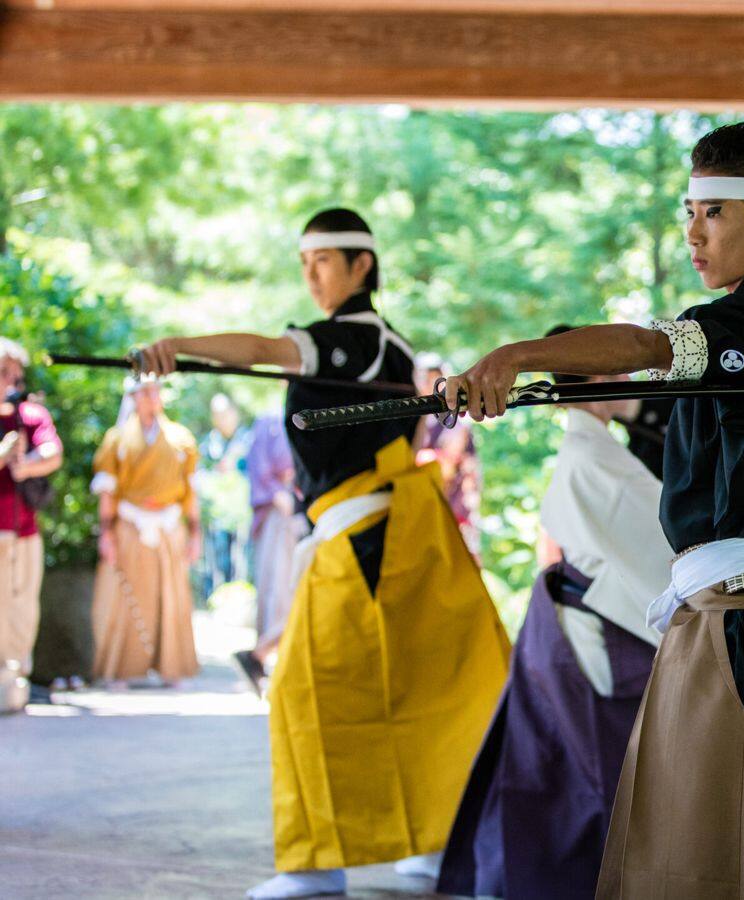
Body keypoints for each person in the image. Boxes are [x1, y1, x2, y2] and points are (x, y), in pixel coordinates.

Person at [442, 123, 744, 899]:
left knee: (727, 823)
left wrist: (517, 356)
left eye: (716, 213)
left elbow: (644, 345)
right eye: (690, 211)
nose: (695, 232)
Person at [135, 208, 510, 900]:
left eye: (324, 261)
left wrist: (178, 345)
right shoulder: (382, 342)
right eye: (304, 263)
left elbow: (265, 349)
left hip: (367, 536)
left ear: (362, 265)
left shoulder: (355, 337)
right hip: (372, 534)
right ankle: (428, 844)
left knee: (304, 692)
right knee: (411, 689)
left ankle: (317, 864)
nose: (311, 276)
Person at [439, 326, 673, 900]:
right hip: (601, 636)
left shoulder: (598, 451)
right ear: (587, 379)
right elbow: (669, 555)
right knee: (618, 780)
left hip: (579, 629)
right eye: (614, 370)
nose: (626, 378)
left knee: (566, 780)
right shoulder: (596, 460)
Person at [89, 379, 202, 687]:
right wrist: (107, 533)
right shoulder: (117, 438)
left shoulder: (181, 439)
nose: (151, 397)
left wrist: (195, 533)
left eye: (155, 391)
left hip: (168, 525)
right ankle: (120, 669)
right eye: (144, 392)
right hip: (129, 525)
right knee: (124, 596)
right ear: (133, 397)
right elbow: (107, 492)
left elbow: (191, 493)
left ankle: (172, 668)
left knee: (172, 595)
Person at [0, 338, 62, 687]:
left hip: (22, 528)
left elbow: (53, 452)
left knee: (22, 603)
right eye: (4, 374)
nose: (11, 382)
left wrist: (26, 465)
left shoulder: (31, 416)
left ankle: (15, 672)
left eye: (16, 376)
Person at [232, 408, 303, 695]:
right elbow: (259, 466)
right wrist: (278, 495)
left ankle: (260, 656)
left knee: (297, 587)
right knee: (279, 587)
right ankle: (263, 656)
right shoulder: (270, 420)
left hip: (304, 507)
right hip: (279, 512)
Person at [413, 352, 482, 557]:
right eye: (427, 379)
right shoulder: (417, 422)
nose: (433, 385)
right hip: (424, 513)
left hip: (455, 513)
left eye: (437, 379)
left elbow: (445, 468)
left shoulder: (457, 425)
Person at [197, 392, 251, 599]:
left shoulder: (247, 440)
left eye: (226, 413)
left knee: (241, 560)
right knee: (216, 559)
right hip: (216, 513)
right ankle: (215, 599)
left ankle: (239, 600)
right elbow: (200, 474)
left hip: (243, 512)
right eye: (217, 415)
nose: (223, 419)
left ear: (235, 413)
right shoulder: (209, 444)